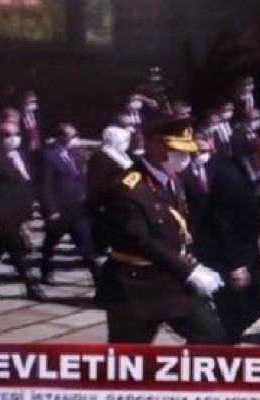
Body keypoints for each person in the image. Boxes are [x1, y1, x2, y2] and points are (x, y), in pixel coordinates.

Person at [101, 117, 226, 344]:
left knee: (212, 338)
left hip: (172, 279)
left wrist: (194, 262)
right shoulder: (129, 186)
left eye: (187, 151)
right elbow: (140, 239)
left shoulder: (173, 179)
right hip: (136, 287)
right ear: (154, 144)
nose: (185, 157)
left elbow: (177, 226)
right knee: (129, 357)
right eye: (177, 150)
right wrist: (188, 270)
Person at [206, 137, 260, 344]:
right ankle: (217, 343)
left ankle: (220, 340)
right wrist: (235, 265)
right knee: (234, 304)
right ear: (257, 157)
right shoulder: (229, 178)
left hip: (249, 250)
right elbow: (223, 225)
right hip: (228, 254)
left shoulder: (258, 179)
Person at [0, 120, 45, 301]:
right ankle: (31, 285)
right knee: (16, 248)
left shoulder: (20, 155)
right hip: (5, 211)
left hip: (21, 210)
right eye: (7, 135)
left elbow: (27, 182)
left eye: (16, 134)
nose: (13, 139)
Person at [40, 123, 100, 291]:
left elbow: (81, 177)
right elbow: (46, 185)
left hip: (77, 208)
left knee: (86, 245)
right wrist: (51, 209)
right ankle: (45, 270)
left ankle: (98, 278)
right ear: (61, 136)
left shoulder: (75, 154)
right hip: (60, 209)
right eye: (71, 136)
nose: (74, 139)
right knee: (50, 243)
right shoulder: (49, 156)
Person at [87, 125, 134, 254]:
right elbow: (98, 180)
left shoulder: (121, 155)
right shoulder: (102, 157)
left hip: (123, 197)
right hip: (108, 199)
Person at [180, 138, 215, 263]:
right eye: (200, 151)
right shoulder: (183, 171)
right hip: (193, 219)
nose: (203, 155)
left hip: (212, 217)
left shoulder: (214, 168)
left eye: (206, 151)